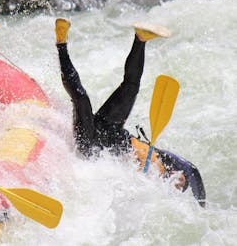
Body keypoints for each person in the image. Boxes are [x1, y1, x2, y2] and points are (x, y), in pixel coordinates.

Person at [54, 17, 206, 207]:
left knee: (81, 98)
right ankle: (140, 38)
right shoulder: (165, 161)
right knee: (131, 87)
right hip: (113, 129)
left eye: (179, 185)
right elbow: (192, 170)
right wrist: (200, 201)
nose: (179, 180)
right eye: (181, 180)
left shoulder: (150, 184)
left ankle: (61, 42)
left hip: (90, 144)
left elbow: (122, 189)